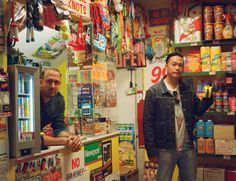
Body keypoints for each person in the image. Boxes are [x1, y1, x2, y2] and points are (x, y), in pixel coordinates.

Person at [143, 52, 213, 181]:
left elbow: (198, 110)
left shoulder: (188, 89)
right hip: (165, 148)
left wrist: (208, 98)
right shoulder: (154, 92)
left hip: (187, 147)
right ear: (166, 66)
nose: (177, 68)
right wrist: (151, 151)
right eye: (174, 64)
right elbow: (147, 122)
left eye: (180, 65)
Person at [40, 67, 82, 151]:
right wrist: (64, 141)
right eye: (49, 81)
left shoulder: (59, 99)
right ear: (40, 82)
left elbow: (59, 130)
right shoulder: (29, 98)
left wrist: (73, 138)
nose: (53, 86)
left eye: (56, 82)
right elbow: (29, 138)